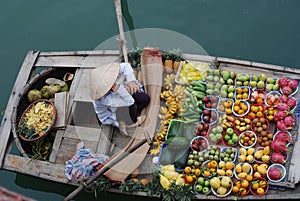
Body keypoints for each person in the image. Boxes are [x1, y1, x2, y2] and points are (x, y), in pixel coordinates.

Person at [90, 62, 150, 136]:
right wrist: (120, 89)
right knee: (132, 107)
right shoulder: (103, 99)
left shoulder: (109, 74)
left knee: (145, 99)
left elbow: (126, 66)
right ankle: (128, 122)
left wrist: (131, 82)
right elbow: (130, 102)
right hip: (114, 111)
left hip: (122, 95)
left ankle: (132, 115)